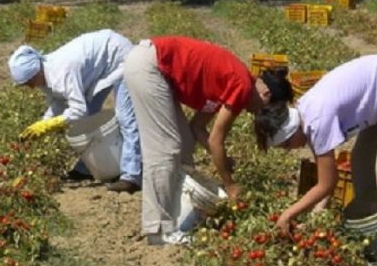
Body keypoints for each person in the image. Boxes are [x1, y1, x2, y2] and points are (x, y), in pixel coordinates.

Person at [254, 53, 377, 266]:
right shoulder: (306, 114)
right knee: (362, 162)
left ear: (291, 132)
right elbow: (325, 179)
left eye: (287, 145)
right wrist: (317, 215)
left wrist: (288, 215)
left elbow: (327, 184)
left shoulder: (317, 121)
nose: (290, 149)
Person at [123, 36, 292, 245]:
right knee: (165, 149)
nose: (256, 114)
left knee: (184, 143)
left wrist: (223, 159)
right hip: (150, 66)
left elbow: (197, 128)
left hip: (154, 68)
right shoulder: (242, 85)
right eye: (262, 111)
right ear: (266, 94)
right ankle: (159, 229)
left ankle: (177, 215)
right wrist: (230, 185)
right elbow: (215, 140)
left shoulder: (235, 81)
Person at [8, 29, 142, 194]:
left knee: (125, 117)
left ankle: (132, 176)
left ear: (37, 72)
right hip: (98, 68)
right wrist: (42, 124)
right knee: (88, 119)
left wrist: (53, 123)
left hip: (118, 56)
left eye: (29, 82)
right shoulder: (45, 77)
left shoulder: (63, 70)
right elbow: (58, 104)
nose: (30, 87)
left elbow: (78, 109)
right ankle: (87, 168)